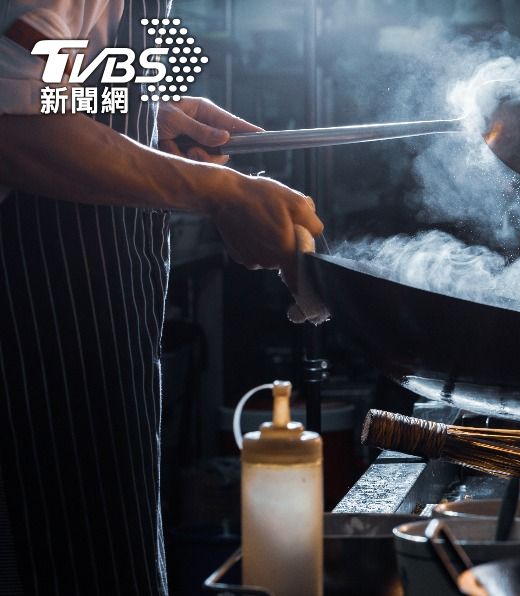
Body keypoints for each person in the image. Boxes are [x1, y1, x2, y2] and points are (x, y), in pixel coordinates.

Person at [0, 1, 323, 593]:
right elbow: (13, 126)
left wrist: (143, 117)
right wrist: (217, 192)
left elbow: (44, 85)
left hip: (95, 344)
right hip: (27, 347)